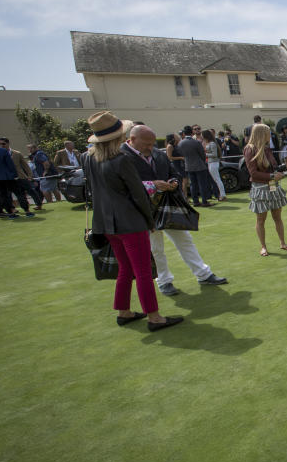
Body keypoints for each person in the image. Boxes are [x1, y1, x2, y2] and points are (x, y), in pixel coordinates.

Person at [83, 112, 182, 331]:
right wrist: (149, 219)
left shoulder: (89, 157)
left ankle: (123, 311)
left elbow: (94, 189)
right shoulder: (121, 159)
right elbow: (137, 193)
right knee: (143, 270)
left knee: (125, 268)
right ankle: (154, 317)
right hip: (129, 222)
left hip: (106, 224)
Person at [121, 124, 227, 295]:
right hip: (143, 210)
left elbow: (172, 172)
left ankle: (203, 274)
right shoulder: (121, 157)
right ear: (132, 140)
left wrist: (174, 182)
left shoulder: (156, 153)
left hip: (166, 205)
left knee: (184, 239)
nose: (150, 147)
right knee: (156, 248)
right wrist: (152, 185)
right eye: (146, 144)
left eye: (152, 143)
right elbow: (122, 186)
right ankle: (163, 281)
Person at [243, 123, 287, 256]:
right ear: (262, 134)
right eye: (269, 133)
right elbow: (253, 173)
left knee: (277, 217)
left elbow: (272, 166)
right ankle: (263, 246)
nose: (270, 135)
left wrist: (278, 171)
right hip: (260, 188)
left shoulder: (266, 148)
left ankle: (282, 243)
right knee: (261, 219)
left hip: (272, 185)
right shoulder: (250, 149)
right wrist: (272, 175)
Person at [0, 134, 33, 218]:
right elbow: (10, 164)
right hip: (7, 175)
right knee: (18, 192)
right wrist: (14, 175)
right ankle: (27, 210)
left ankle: (11, 212)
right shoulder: (3, 151)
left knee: (3, 195)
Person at [178, 126, 212, 207]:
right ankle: (204, 201)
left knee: (193, 184)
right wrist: (202, 161)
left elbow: (181, 153)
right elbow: (202, 154)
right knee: (202, 184)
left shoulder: (181, 143)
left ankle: (195, 201)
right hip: (199, 166)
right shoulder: (196, 142)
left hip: (188, 166)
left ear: (184, 133)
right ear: (192, 132)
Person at [4, 140, 43, 210]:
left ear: (8, 143)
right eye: (0, 144)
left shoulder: (17, 153)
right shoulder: (0, 154)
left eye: (4, 144)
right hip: (9, 178)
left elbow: (25, 165)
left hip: (21, 176)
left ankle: (39, 204)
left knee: (30, 190)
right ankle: (15, 208)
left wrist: (30, 175)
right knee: (14, 194)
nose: (2, 145)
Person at [202, 129, 226, 202]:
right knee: (217, 179)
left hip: (213, 163)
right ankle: (222, 194)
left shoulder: (212, 143)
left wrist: (205, 154)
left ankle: (222, 195)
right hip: (211, 162)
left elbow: (214, 154)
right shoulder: (210, 143)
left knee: (217, 179)